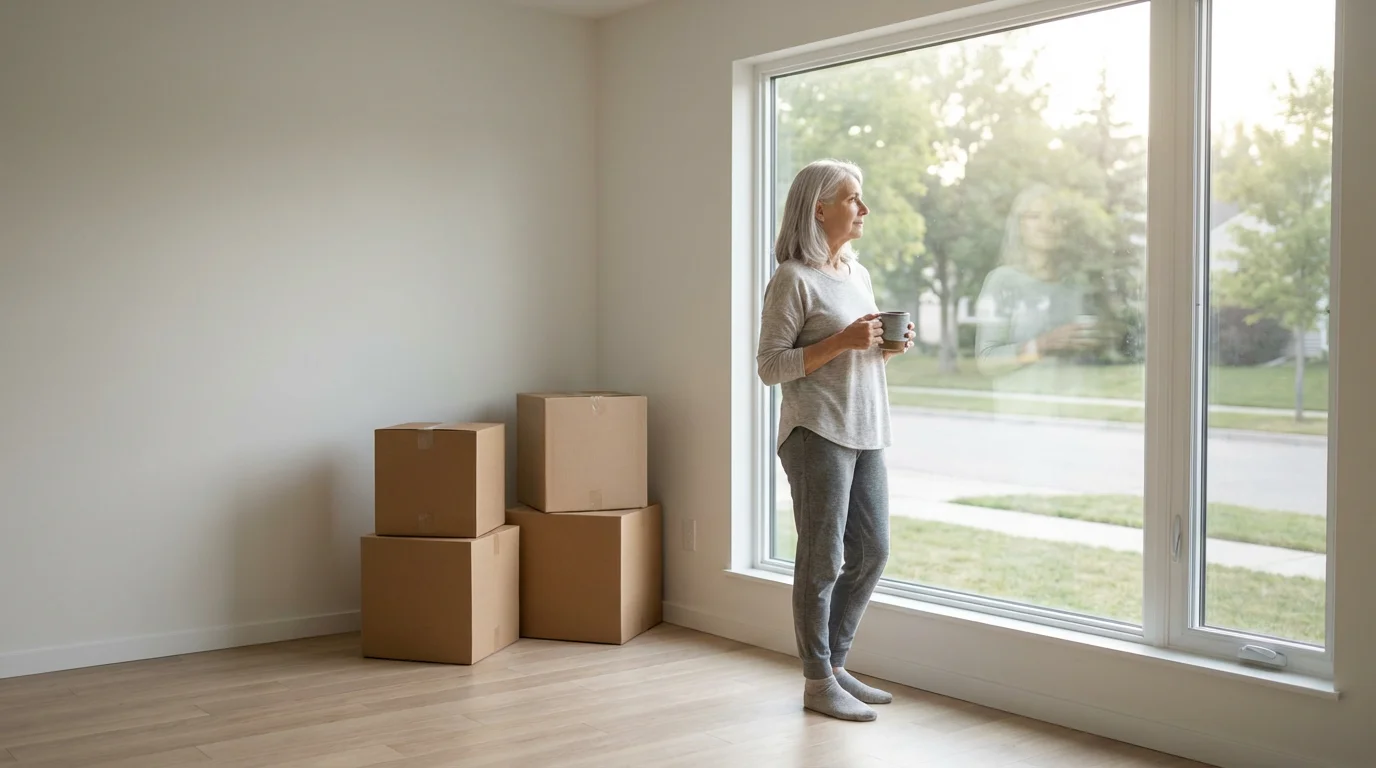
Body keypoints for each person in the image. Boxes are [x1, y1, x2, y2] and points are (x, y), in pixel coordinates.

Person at [756, 159, 914, 722]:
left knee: (872, 551)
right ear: (818, 208)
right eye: (852, 198)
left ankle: (835, 665)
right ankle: (816, 679)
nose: (863, 209)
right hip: (815, 432)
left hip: (866, 428)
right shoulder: (792, 279)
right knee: (822, 558)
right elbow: (770, 367)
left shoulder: (858, 275)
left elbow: (854, 352)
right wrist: (844, 341)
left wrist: (881, 348)